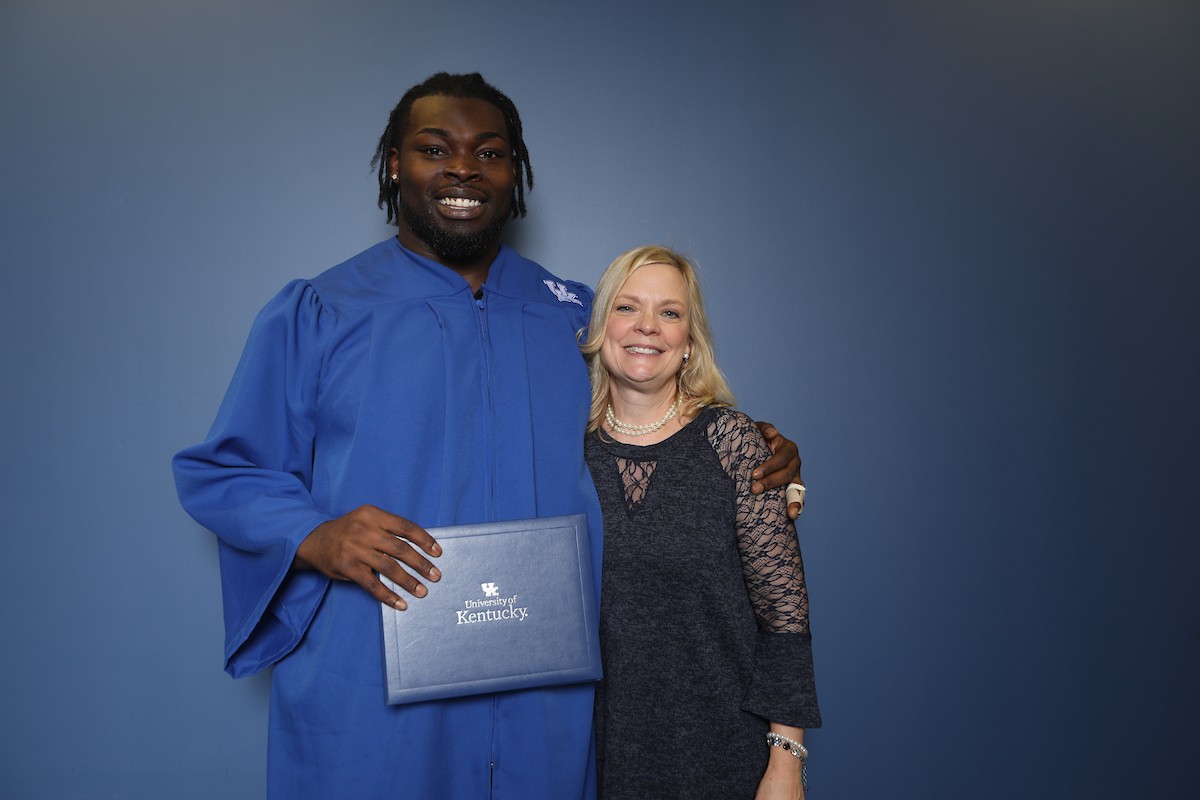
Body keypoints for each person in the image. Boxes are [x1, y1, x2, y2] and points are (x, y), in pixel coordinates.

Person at [173, 73, 802, 800]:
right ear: (393, 167)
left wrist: (750, 453)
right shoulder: (324, 310)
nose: (464, 169)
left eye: (491, 153)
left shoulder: (573, 318)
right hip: (374, 676)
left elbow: (653, 413)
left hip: (544, 688)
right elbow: (226, 471)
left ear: (515, 174)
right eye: (434, 148)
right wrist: (317, 535)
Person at [580, 245, 821, 800]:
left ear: (690, 342)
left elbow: (784, 615)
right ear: (600, 328)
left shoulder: (733, 442)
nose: (647, 327)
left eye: (670, 312)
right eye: (627, 308)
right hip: (590, 756)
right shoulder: (564, 450)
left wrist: (786, 763)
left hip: (720, 755)